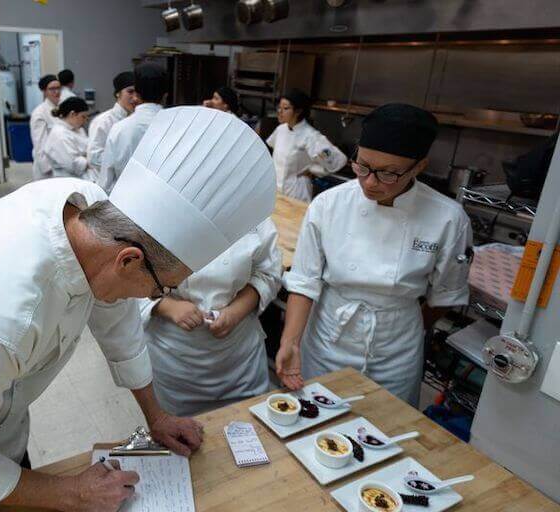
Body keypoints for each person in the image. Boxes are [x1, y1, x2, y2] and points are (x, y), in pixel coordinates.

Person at [0, 106, 276, 512]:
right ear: (130, 260)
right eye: (161, 287)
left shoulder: (91, 214)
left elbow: (116, 322)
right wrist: (74, 493)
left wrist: (155, 416)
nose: (154, 298)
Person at [275, 103, 473, 406]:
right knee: (316, 425)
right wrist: (290, 342)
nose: (369, 182)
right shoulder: (328, 205)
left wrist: (400, 324)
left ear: (419, 167)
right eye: (363, 165)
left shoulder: (448, 218)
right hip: (328, 339)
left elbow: (445, 294)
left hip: (396, 353)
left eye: (388, 174)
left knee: (388, 431)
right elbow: (304, 281)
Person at [140, 218, 282, 416]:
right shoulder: (151, 210)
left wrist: (236, 311)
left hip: (239, 356)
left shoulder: (254, 212)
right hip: (175, 358)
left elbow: (268, 272)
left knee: (251, 427)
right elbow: (128, 276)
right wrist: (168, 306)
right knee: (182, 436)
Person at [98, 63, 168, 194]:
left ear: (136, 95)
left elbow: (105, 183)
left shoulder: (119, 129)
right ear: (165, 95)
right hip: (164, 209)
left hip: (124, 206)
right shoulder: (176, 128)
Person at [266, 89, 346, 202]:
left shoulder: (310, 136)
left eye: (285, 108)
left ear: (298, 111)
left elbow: (338, 159)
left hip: (297, 192)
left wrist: (313, 169)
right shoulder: (280, 130)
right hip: (276, 189)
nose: (280, 111)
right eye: (279, 107)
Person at [87, 71, 137, 184]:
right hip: (105, 184)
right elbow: (94, 157)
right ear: (118, 94)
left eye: (137, 93)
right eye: (130, 92)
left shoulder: (136, 120)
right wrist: (122, 164)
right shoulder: (104, 121)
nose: (135, 98)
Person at [42, 97, 91, 180]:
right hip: (67, 180)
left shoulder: (78, 129)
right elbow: (74, 165)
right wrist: (91, 159)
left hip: (81, 178)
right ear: (72, 114)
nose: (85, 120)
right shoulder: (59, 134)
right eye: (83, 117)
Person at [30, 74, 62, 180]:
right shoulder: (39, 113)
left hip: (60, 164)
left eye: (58, 88)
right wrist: (48, 169)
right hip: (47, 170)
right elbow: (39, 144)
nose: (56, 92)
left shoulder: (61, 109)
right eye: (52, 89)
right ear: (44, 91)